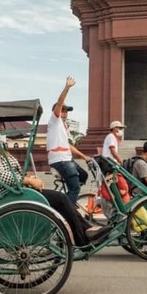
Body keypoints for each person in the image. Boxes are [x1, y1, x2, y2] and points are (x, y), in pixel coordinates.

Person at [0, 120, 107, 247]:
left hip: (16, 193)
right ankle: (82, 238)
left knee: (61, 199)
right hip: (11, 197)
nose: (2, 134)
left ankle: (87, 230)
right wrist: (29, 180)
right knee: (60, 199)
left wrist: (26, 178)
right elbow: (0, 176)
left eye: (3, 130)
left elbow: (6, 173)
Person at [47, 76, 91, 205]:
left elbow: (69, 147)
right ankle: (67, 211)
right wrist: (67, 87)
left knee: (83, 176)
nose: (65, 113)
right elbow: (60, 103)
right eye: (63, 111)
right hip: (60, 159)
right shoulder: (54, 121)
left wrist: (85, 157)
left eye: (67, 111)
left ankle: (67, 199)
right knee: (75, 188)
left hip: (67, 158)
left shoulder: (63, 127)